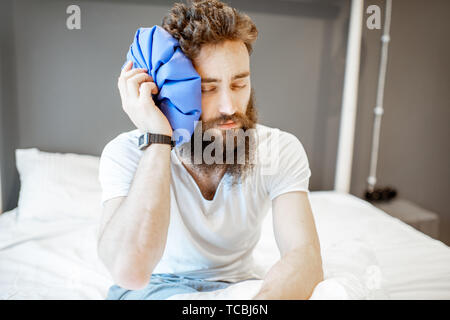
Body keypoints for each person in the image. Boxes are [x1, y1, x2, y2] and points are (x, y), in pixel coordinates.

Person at [98, 0, 323, 300]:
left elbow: (304, 257)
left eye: (240, 84)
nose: (230, 107)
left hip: (241, 288)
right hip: (154, 287)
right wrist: (158, 139)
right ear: (166, 89)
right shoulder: (125, 154)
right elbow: (130, 272)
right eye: (208, 88)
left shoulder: (279, 149)